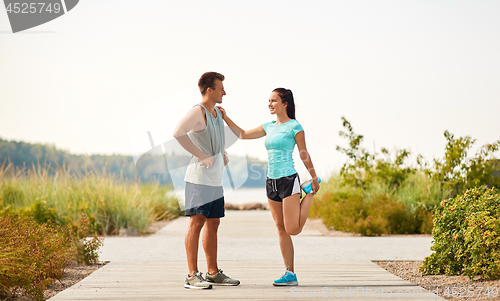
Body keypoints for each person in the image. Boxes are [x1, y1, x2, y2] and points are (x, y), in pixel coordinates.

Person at [218, 88, 320, 286]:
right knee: (281, 228)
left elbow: (303, 153)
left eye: (274, 101)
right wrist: (226, 118)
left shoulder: (295, 127)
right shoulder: (269, 126)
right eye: (269, 101)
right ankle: (290, 273)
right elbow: (243, 134)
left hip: (288, 179)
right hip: (271, 181)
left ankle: (308, 195)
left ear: (285, 104)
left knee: (293, 229)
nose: (270, 104)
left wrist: (313, 177)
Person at [173, 72, 240, 289]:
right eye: (221, 88)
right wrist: (201, 155)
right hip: (198, 179)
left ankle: (212, 272)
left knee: (214, 223)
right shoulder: (197, 111)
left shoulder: (217, 113)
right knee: (197, 222)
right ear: (209, 90)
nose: (225, 92)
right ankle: (192, 275)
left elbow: (215, 140)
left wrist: (222, 153)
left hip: (215, 181)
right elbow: (178, 132)